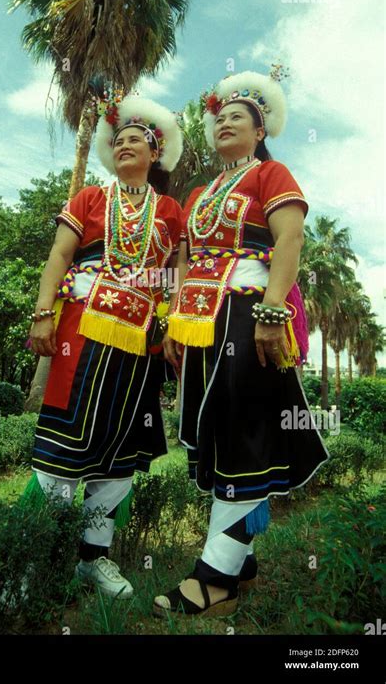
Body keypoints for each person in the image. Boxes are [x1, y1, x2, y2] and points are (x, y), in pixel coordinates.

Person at [153, 67, 330, 617]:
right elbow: (183, 259)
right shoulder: (200, 192)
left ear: (260, 132)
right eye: (221, 118)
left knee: (242, 434)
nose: (225, 124)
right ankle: (240, 558)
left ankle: (216, 580)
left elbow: (289, 236)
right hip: (200, 323)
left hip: (248, 313)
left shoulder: (271, 174)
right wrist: (172, 319)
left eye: (239, 118)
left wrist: (272, 311)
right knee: (215, 432)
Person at [28, 93, 183, 599]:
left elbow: (177, 275)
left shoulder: (172, 212)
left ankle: (93, 560)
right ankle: (30, 559)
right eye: (118, 141)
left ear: (154, 153)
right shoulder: (90, 200)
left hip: (140, 346)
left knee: (119, 452)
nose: (124, 146)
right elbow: (59, 253)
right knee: (63, 445)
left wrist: (175, 323)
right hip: (81, 332)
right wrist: (43, 312)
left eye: (135, 140)